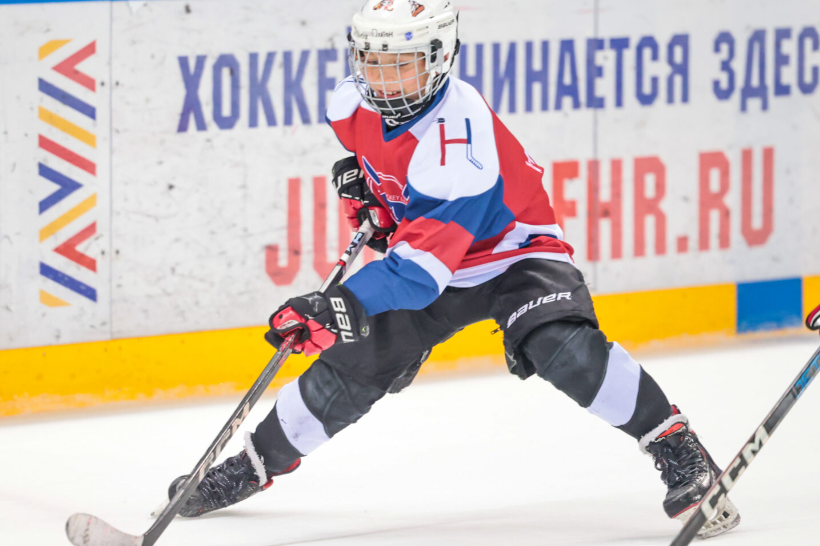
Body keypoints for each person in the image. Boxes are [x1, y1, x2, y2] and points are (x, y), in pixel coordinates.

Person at [168, 1, 740, 539]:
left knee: (562, 347)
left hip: (513, 254)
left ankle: (679, 448)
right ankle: (254, 463)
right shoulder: (349, 103)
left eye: (403, 66)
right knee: (352, 364)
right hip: (435, 255)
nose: (385, 80)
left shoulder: (457, 141)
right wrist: (368, 190)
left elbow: (418, 274)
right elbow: (386, 173)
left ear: (440, 59)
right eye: (373, 63)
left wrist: (338, 304)